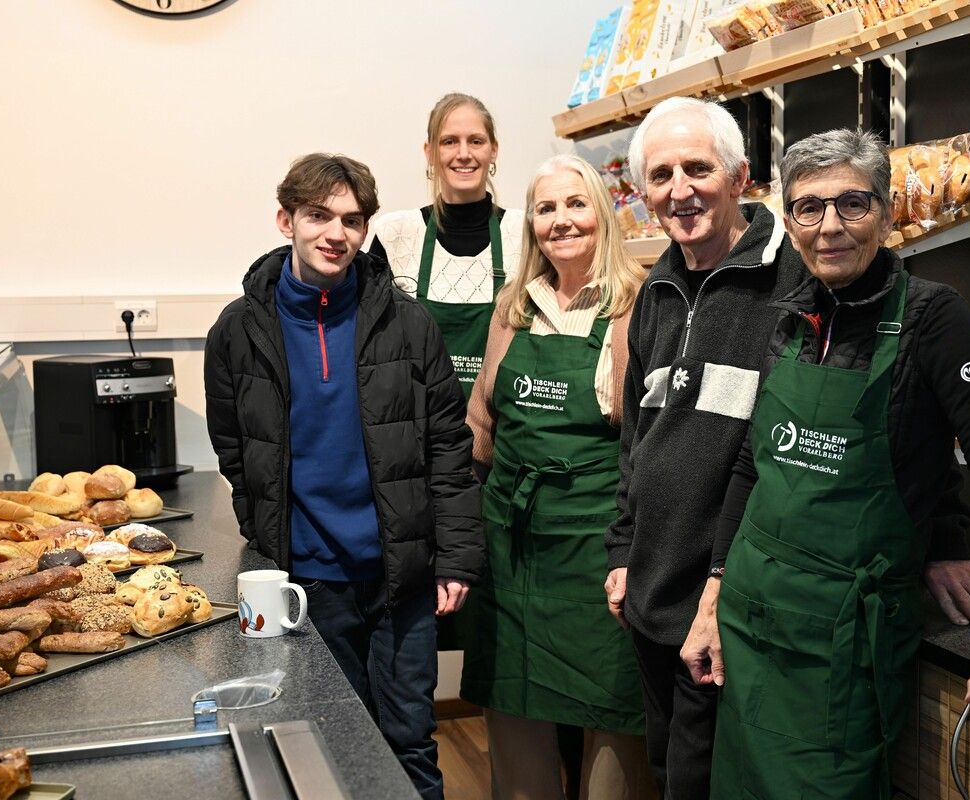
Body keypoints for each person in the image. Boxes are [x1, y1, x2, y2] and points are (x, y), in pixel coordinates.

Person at [605, 97, 970, 800]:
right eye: (660, 175)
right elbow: (637, 441)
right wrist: (623, 551)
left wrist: (942, 535)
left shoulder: (802, 279)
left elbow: (894, 421)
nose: (680, 189)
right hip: (654, 591)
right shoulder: (653, 293)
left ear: (740, 177)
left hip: (740, 600)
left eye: (697, 168)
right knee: (670, 773)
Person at [681, 128, 970, 799]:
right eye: (809, 208)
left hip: (843, 648)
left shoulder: (932, 318)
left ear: (884, 212)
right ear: (789, 219)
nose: (830, 227)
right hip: (752, 621)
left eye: (852, 205)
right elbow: (749, 466)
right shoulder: (789, 316)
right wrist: (712, 595)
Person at [204, 153, 483, 800]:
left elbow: (449, 446)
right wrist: (270, 537)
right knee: (327, 743)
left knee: (409, 742)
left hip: (401, 579)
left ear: (366, 230)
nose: (336, 233)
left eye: (352, 220)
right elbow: (235, 450)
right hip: (306, 582)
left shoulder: (408, 325)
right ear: (286, 220)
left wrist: (457, 559)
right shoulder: (239, 331)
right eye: (318, 215)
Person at [462, 154, 655, 800]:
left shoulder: (636, 303)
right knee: (513, 706)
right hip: (512, 543)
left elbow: (649, 444)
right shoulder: (512, 305)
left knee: (611, 711)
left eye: (576, 205)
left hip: (597, 545)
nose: (561, 221)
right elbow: (481, 425)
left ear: (602, 214)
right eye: (546, 208)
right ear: (531, 225)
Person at [369, 92, 524, 400]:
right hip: (417, 425)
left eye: (476, 141)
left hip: (502, 424)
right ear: (429, 152)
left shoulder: (525, 232)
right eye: (449, 141)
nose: (463, 153)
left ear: (494, 150)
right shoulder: (396, 234)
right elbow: (372, 345)